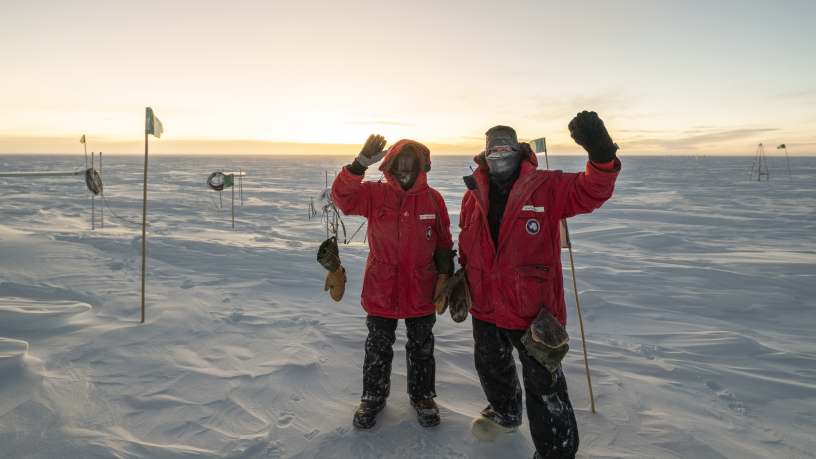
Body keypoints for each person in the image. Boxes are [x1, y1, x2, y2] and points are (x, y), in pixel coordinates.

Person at [454, 112, 621, 458]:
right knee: (491, 365)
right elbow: (469, 241)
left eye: (506, 145)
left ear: (519, 149)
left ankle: (556, 451)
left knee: (545, 385)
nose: (499, 152)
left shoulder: (547, 184)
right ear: (484, 153)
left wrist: (601, 155)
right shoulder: (472, 193)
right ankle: (504, 412)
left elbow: (591, 191)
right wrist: (459, 274)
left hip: (533, 311)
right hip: (484, 304)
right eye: (493, 147)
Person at [331, 134, 454, 429]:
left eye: (412, 164)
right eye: (400, 163)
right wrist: (358, 165)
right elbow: (343, 199)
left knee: (422, 345)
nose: (405, 169)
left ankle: (423, 396)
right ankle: (372, 397)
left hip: (421, 287)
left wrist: (444, 276)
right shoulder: (375, 194)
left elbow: (443, 240)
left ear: (423, 166)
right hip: (382, 286)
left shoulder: (433, 199)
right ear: (390, 165)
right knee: (377, 345)